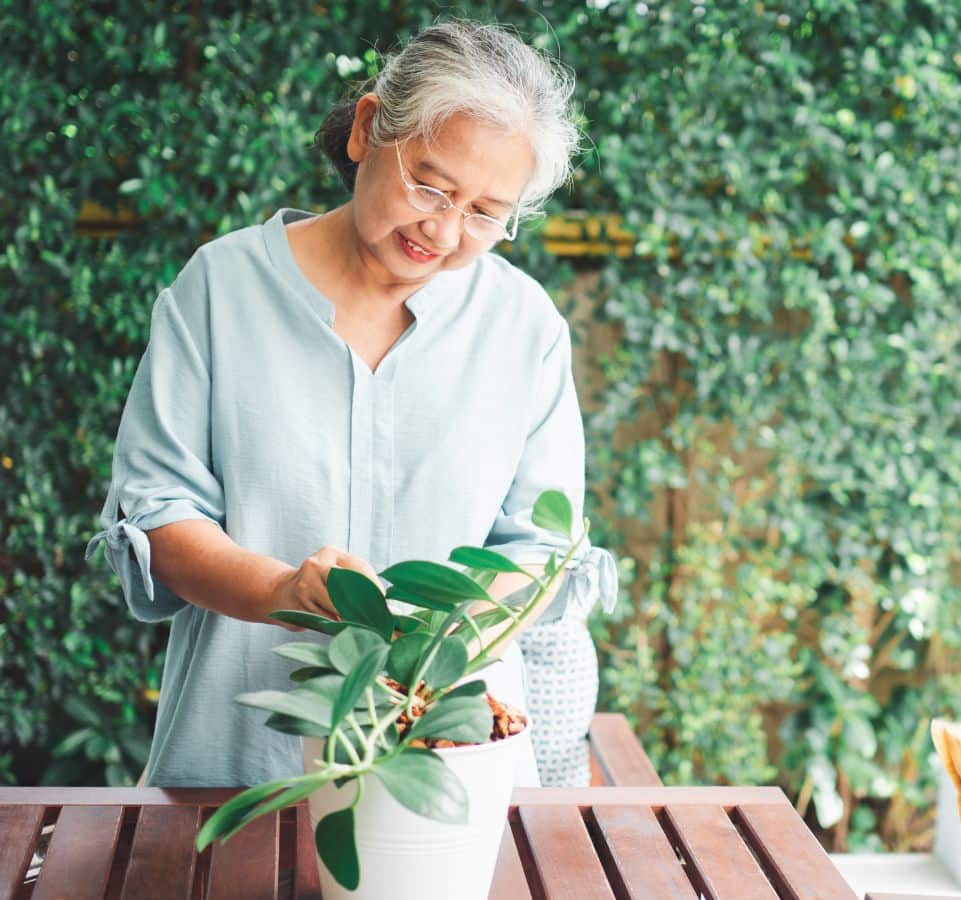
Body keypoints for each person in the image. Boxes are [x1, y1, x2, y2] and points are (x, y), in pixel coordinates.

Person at [86, 20, 616, 789]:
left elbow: (538, 548)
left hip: (452, 771)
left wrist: (432, 648)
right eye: (430, 185)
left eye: (484, 212)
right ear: (369, 129)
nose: (443, 228)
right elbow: (159, 517)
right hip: (240, 764)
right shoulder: (221, 289)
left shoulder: (523, 327)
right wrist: (281, 593)